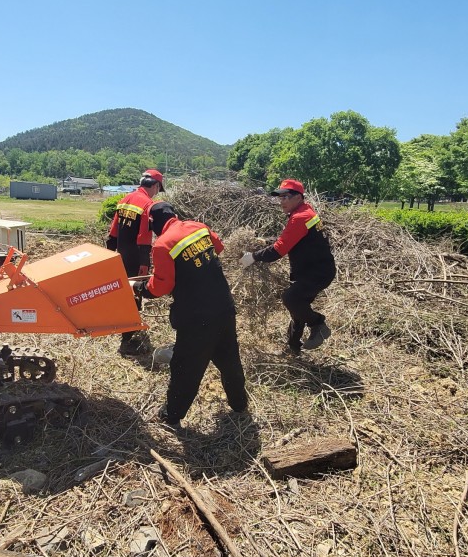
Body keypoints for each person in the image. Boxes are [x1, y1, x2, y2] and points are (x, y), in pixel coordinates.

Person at [132, 202, 248, 428]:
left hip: (197, 317)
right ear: (174, 215)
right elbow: (219, 247)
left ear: (154, 224)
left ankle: (171, 416)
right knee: (229, 359)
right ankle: (239, 404)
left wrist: (139, 288)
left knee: (186, 367)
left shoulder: (163, 245)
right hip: (224, 307)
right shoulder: (199, 227)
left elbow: (161, 287)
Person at [240, 179, 336, 356]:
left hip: (316, 272)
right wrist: (266, 242)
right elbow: (291, 240)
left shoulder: (300, 217)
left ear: (298, 197)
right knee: (298, 307)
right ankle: (293, 347)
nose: (281, 201)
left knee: (291, 299)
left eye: (285, 197)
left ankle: (318, 324)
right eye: (280, 197)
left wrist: (253, 257)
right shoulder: (304, 212)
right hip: (310, 270)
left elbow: (278, 250)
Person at [106, 169, 164, 354]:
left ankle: (122, 326)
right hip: (135, 257)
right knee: (134, 294)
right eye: (158, 189)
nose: (157, 192)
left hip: (120, 254)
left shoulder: (125, 199)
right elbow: (144, 237)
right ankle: (127, 340)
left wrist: (109, 255)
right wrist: (144, 264)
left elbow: (113, 231)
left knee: (122, 292)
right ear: (155, 186)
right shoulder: (148, 204)